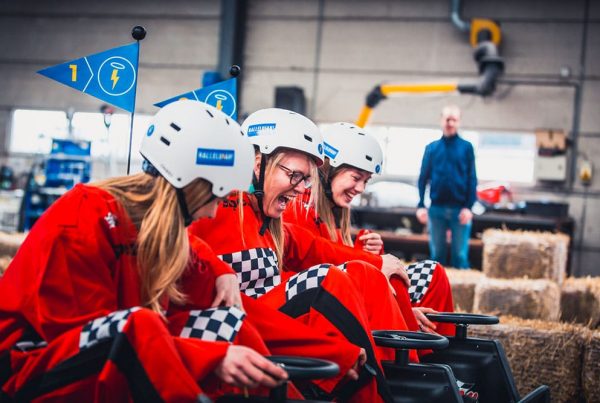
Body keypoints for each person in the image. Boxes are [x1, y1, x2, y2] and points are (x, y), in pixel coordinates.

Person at [0, 100, 293, 402]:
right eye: (215, 198)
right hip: (27, 368)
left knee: (228, 323)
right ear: (191, 186)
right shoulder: (81, 220)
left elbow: (201, 278)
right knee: (140, 325)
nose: (213, 213)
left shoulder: (158, 231)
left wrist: (221, 272)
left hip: (112, 349)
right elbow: (100, 339)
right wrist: (210, 357)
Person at [190, 108, 410, 403]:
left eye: (306, 179)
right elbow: (177, 242)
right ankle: (384, 390)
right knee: (328, 280)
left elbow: (316, 248)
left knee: (365, 273)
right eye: (294, 175)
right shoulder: (219, 206)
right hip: (238, 324)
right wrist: (218, 269)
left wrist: (377, 262)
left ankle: (410, 372)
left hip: (265, 321)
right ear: (258, 164)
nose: (300, 190)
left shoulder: (268, 220)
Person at [283, 122, 455, 336]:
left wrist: (364, 251)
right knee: (386, 274)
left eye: (366, 180)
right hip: (318, 302)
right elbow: (316, 267)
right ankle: (408, 346)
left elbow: (334, 259)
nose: (361, 188)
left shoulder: (331, 212)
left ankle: (436, 342)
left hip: (340, 293)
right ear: (328, 170)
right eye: (356, 177)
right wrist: (371, 261)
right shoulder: (298, 208)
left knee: (432, 273)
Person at [416, 105, 477, 269]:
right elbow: (423, 178)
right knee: (436, 256)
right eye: (447, 119)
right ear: (441, 120)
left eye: (454, 120)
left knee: (460, 256)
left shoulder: (467, 147)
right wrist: (421, 205)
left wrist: (469, 207)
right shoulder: (432, 148)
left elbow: (472, 178)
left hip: (460, 210)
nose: (450, 123)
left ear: (459, 122)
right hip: (436, 209)